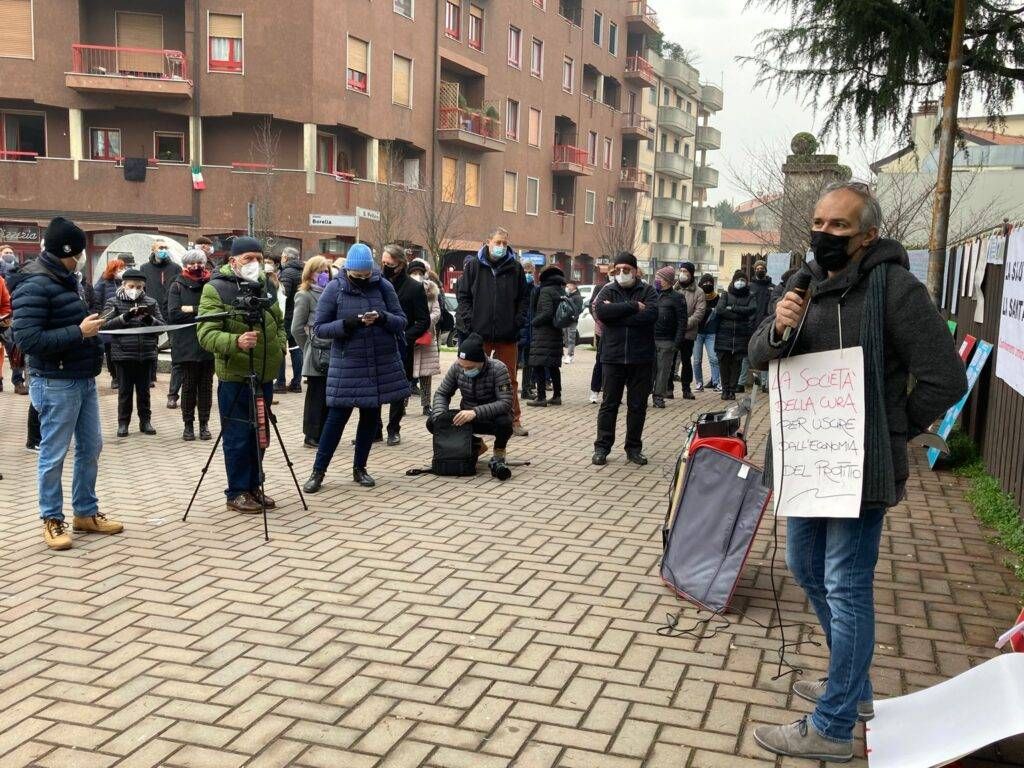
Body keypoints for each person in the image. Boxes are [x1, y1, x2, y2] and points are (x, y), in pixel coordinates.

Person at [749, 181, 967, 761]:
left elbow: (946, 378)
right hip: (806, 460)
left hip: (860, 469)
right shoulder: (800, 283)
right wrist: (778, 328)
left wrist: (891, 429)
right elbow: (757, 357)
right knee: (805, 569)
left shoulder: (894, 289)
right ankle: (854, 686)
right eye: (819, 223)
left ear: (867, 236)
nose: (824, 233)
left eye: (839, 226)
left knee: (846, 587)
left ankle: (833, 725)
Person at [11, 216, 122, 550]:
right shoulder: (35, 283)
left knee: (91, 447)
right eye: (80, 252)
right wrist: (78, 332)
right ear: (68, 251)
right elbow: (27, 340)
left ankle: (85, 512)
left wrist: (94, 330)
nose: (83, 258)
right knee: (54, 453)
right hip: (54, 381)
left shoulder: (69, 278)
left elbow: (72, 322)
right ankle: (51, 518)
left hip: (82, 376)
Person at [302, 243, 409, 492]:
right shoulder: (334, 288)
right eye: (357, 274)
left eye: (366, 274)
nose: (362, 278)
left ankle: (360, 468)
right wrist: (347, 324)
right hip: (347, 366)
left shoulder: (383, 286)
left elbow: (401, 321)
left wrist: (382, 318)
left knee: (370, 418)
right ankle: (318, 472)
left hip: (377, 364)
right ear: (348, 269)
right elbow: (319, 328)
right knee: (335, 420)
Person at [196, 236, 287, 514]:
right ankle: (236, 491)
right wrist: (235, 341)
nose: (254, 263)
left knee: (260, 434)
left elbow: (279, 321)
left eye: (259, 258)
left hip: (264, 375)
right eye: (248, 258)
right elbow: (206, 334)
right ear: (233, 261)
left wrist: (280, 343)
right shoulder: (216, 289)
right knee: (238, 437)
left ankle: (254, 485)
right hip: (235, 377)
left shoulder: (266, 285)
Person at [457, 227, 531, 436]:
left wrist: (518, 321)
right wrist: (470, 323)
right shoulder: (474, 266)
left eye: (504, 243)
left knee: (509, 379)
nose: (501, 246)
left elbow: (524, 299)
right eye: (498, 242)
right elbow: (463, 296)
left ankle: (513, 420)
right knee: (474, 376)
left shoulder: (515, 268)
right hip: (479, 334)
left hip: (507, 334)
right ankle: (473, 417)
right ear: (488, 242)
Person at [592, 253, 658, 466]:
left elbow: (651, 316)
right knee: (609, 404)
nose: (622, 273)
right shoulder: (607, 290)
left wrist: (617, 315)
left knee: (637, 406)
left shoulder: (648, 291)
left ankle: (633, 448)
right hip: (613, 357)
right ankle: (602, 447)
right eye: (618, 269)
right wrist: (633, 306)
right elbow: (601, 312)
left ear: (635, 271)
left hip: (641, 358)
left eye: (626, 269)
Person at [429, 333, 514, 477]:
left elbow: (505, 402)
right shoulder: (457, 367)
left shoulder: (498, 369)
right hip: (467, 417)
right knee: (433, 422)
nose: (465, 370)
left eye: (470, 367)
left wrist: (475, 412)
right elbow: (442, 393)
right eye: (463, 367)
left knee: (505, 423)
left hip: (490, 417)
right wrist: (440, 415)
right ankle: (475, 445)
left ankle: (499, 452)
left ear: (481, 362)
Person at [377, 245, 429, 446]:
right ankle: (374, 430)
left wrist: (406, 337)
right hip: (378, 343)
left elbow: (423, 320)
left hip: (401, 346)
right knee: (375, 389)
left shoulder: (414, 288)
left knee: (398, 389)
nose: (385, 266)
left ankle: (393, 429)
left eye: (389, 263)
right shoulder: (377, 284)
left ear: (400, 263)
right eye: (383, 263)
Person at [103, 269, 164, 436]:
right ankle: (123, 423)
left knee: (144, 392)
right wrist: (125, 317)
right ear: (123, 285)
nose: (135, 290)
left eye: (139, 287)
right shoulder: (113, 302)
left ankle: (146, 422)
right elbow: (104, 325)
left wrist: (149, 319)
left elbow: (162, 327)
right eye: (131, 286)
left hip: (146, 354)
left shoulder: (151, 302)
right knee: (125, 392)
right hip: (123, 355)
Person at [167, 249, 215, 441]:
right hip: (186, 343)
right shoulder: (177, 285)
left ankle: (204, 424)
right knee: (188, 387)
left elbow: (214, 312)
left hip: (207, 342)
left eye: (200, 262)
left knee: (206, 388)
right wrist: (201, 312)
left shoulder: (211, 284)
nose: (196, 266)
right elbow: (174, 314)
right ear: (185, 265)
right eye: (192, 263)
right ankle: (188, 425)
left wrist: (191, 309)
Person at [291, 255, 333, 447]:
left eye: (326, 271)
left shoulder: (331, 293)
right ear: (310, 273)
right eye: (320, 271)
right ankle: (311, 434)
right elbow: (296, 328)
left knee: (327, 395)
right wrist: (308, 346)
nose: (324, 275)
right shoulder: (305, 295)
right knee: (316, 396)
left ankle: (323, 432)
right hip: (316, 352)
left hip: (331, 350)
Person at [140, 239, 182, 403]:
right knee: (151, 345)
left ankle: (173, 390)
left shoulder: (175, 268)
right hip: (152, 310)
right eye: (160, 247)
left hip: (171, 311)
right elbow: (142, 289)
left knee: (175, 346)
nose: (163, 250)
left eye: (165, 247)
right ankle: (150, 376)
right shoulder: (144, 268)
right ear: (153, 250)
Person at [527, 264, 568, 407]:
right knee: (553, 366)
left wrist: (533, 322)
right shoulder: (560, 290)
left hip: (543, 333)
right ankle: (557, 396)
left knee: (538, 364)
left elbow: (547, 312)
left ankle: (541, 397)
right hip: (556, 332)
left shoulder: (545, 291)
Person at [714, 270, 757, 401]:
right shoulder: (725, 295)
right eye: (738, 280)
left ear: (746, 282)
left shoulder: (750, 296)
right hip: (724, 335)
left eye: (743, 280)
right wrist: (740, 315)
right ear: (733, 281)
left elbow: (752, 309)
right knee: (724, 364)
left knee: (736, 365)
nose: (740, 282)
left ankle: (732, 390)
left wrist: (732, 308)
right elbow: (720, 309)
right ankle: (725, 390)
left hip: (741, 335)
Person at [408, 258, 442, 416]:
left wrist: (424, 322)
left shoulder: (431, 291)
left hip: (426, 338)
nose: (417, 275)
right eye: (414, 272)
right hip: (410, 337)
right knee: (407, 373)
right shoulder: (405, 289)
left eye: (419, 272)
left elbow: (437, 312)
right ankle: (401, 404)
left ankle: (426, 404)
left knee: (426, 375)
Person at [652, 266, 687, 409]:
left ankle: (658, 396)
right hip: (650, 339)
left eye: (659, 278)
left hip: (667, 341)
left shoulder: (677, 298)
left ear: (667, 281)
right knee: (648, 370)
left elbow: (682, 321)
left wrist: (677, 342)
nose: (656, 280)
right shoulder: (652, 294)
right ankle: (643, 394)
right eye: (656, 277)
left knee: (663, 371)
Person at [672, 261, 705, 400]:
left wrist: (684, 324)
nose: (682, 274)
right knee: (671, 360)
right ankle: (668, 388)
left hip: (688, 332)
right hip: (673, 331)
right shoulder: (674, 289)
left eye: (685, 271)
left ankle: (686, 389)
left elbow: (699, 312)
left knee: (686, 360)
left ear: (691, 274)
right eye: (681, 271)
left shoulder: (699, 292)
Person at [92, 258, 125, 389]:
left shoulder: (123, 283)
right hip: (108, 324)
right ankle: (114, 377)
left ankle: (122, 376)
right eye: (120, 268)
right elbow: (96, 304)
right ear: (113, 270)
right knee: (110, 352)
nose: (122, 271)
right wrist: (101, 320)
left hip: (121, 323)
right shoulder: (102, 284)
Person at [276, 246, 304, 393]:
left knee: (281, 347)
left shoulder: (287, 272)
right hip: (299, 315)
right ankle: (297, 383)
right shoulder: (303, 271)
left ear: (286, 257)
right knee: (296, 349)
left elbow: (283, 296)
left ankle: (280, 382)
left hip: (286, 316)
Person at [0, 245, 27, 394]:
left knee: (15, 346)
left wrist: (5, 316)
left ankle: (18, 381)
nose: (9, 255)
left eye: (11, 253)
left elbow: (6, 303)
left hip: (4, 320)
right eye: (6, 253)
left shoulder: (2, 280)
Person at [746, 259, 775, 391]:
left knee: (765, 352)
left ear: (766, 270)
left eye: (762, 268)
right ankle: (748, 381)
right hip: (751, 323)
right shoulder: (750, 287)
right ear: (754, 270)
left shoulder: (772, 287)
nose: (760, 270)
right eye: (757, 268)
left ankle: (765, 383)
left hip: (766, 323)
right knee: (750, 353)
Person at [692, 273, 721, 392]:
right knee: (697, 360)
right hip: (697, 332)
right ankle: (699, 383)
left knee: (714, 358)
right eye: (705, 282)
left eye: (710, 283)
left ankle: (716, 383)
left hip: (711, 333)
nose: (707, 284)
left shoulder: (717, 298)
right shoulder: (698, 296)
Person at [588, 277, 608, 404]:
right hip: (602, 331)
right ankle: (595, 390)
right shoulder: (602, 287)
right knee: (600, 361)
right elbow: (593, 306)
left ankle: (609, 391)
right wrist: (599, 322)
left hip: (617, 331)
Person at [562, 281, 584, 364]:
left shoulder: (577, 297)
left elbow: (579, 310)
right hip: (565, 320)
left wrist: (574, 317)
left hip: (572, 321)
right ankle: (566, 355)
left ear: (574, 286)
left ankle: (570, 355)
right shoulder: (567, 296)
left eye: (568, 286)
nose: (567, 288)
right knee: (565, 338)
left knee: (571, 338)